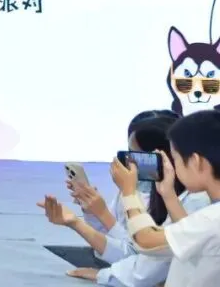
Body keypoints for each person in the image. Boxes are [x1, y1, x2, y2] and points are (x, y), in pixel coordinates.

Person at [39, 110, 211, 285]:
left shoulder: (197, 203)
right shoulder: (158, 190)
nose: (129, 162)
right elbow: (133, 250)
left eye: (135, 155)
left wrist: (115, 205)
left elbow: (145, 253)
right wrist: (82, 218)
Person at [112, 109, 220, 287]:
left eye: (175, 159)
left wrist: (129, 192)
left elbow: (146, 242)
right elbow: (188, 235)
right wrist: (168, 194)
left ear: (196, 161)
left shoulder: (212, 218)